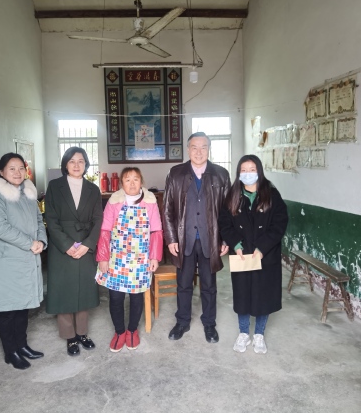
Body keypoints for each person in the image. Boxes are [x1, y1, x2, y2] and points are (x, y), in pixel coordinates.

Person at [0, 152, 47, 370]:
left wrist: (41, 241)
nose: (18, 173)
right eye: (12, 168)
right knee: (7, 308)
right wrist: (30, 243)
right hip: (6, 261)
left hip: (26, 258)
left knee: (22, 305)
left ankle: (22, 345)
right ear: (1, 172)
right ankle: (11, 352)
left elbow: (39, 220)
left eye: (21, 168)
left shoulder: (27, 192)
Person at [163, 132, 231, 343]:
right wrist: (171, 238)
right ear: (188, 149)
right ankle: (182, 321)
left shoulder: (221, 175)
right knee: (183, 284)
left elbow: (229, 211)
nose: (199, 152)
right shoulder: (176, 173)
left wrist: (225, 239)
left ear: (209, 149)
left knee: (209, 285)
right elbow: (167, 209)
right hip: (185, 239)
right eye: (194, 147)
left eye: (203, 147)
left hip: (211, 240)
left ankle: (209, 324)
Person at [218, 155, 288, 354]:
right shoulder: (232, 196)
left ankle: (259, 334)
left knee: (263, 295)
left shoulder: (271, 194)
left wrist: (263, 247)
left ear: (259, 171)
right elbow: (224, 223)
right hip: (242, 255)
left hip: (265, 255)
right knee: (242, 295)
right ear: (238, 173)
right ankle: (243, 333)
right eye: (244, 170)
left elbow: (280, 224)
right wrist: (236, 244)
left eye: (252, 169)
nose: (248, 174)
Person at [95, 167, 163, 352]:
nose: (132, 183)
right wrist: (103, 257)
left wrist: (154, 256)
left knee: (136, 295)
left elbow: (156, 231)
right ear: (121, 183)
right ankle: (119, 332)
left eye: (136, 179)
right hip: (116, 258)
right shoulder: (114, 201)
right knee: (115, 296)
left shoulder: (150, 201)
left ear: (141, 182)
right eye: (127, 180)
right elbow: (105, 230)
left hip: (140, 259)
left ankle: (132, 330)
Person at [45, 147, 103, 356]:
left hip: (86, 244)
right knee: (64, 290)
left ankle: (82, 333)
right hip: (62, 246)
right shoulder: (54, 186)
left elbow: (98, 219)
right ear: (65, 164)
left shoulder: (93, 189)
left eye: (80, 161)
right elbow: (50, 219)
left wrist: (88, 244)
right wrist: (67, 245)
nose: (76, 165)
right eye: (72, 161)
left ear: (86, 164)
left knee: (84, 290)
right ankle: (69, 336)